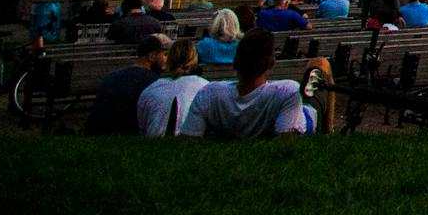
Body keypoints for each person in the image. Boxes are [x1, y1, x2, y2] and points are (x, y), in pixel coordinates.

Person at [183, 30, 322, 137]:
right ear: (271, 62)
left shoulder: (208, 93)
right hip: (303, 115)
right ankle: (329, 128)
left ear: (235, 62)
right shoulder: (287, 91)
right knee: (320, 65)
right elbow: (287, 141)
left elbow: (189, 138)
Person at [85, 33, 171, 134]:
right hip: (127, 134)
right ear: (151, 56)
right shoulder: (155, 83)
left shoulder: (112, 76)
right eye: (164, 55)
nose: (165, 60)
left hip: (98, 132)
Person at [138, 39, 211, 136]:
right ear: (195, 60)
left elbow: (143, 128)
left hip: (155, 145)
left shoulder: (151, 89)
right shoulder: (206, 87)